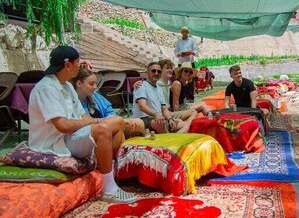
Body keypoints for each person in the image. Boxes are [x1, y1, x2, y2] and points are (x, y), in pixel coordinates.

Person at [28, 46, 137, 204]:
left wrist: (93, 121)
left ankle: (110, 174)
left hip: (69, 136)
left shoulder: (66, 86)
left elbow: (83, 116)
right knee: (103, 130)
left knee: (117, 122)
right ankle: (109, 189)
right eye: (78, 62)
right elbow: (63, 125)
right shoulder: (47, 88)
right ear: (67, 65)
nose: (81, 65)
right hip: (54, 143)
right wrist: (95, 122)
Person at [71, 67, 145, 138]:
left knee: (139, 123)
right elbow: (83, 124)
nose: (95, 87)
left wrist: (119, 122)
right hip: (87, 132)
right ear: (79, 84)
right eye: (91, 84)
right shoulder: (72, 101)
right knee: (117, 125)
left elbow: (110, 113)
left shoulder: (96, 97)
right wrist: (116, 121)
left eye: (96, 84)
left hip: (106, 126)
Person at [133, 62, 195, 133]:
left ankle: (173, 139)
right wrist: (156, 115)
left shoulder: (159, 89)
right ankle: (171, 140)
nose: (156, 73)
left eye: (159, 71)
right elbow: (142, 106)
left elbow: (164, 109)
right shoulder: (141, 85)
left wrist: (170, 119)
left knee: (186, 125)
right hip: (144, 118)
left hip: (158, 117)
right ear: (147, 73)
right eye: (153, 71)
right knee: (161, 122)